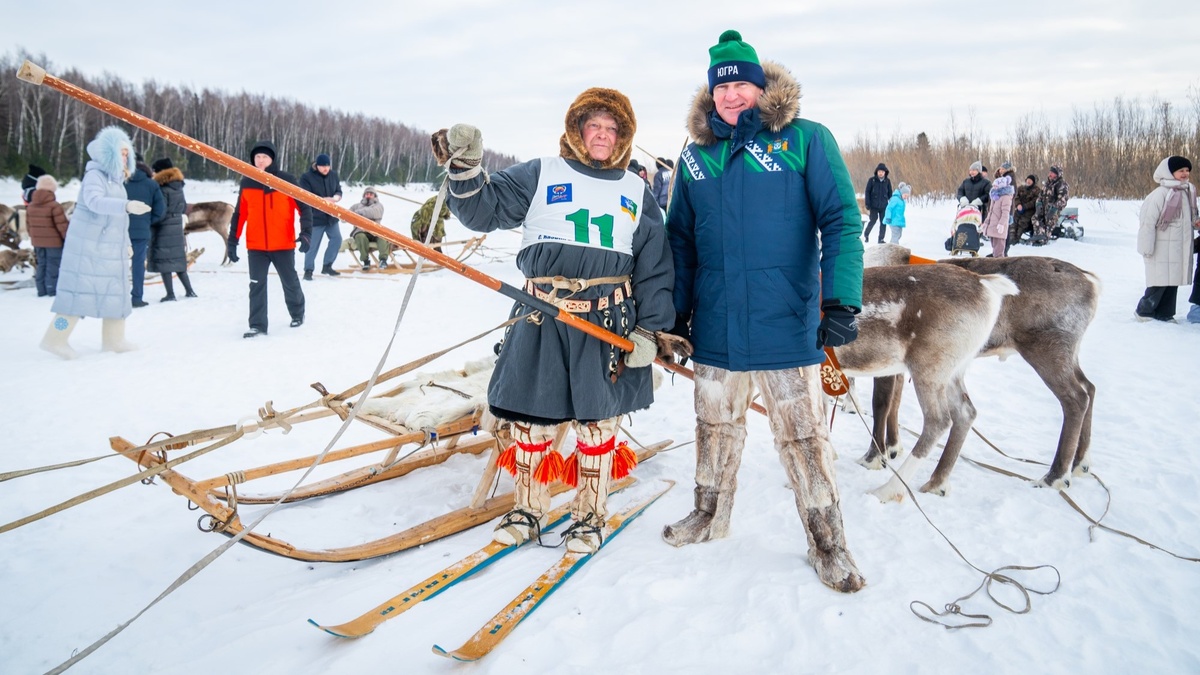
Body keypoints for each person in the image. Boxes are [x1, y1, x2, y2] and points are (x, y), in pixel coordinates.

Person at [431, 86, 676, 554]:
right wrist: (466, 167)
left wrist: (650, 329)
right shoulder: (543, 172)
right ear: (577, 130)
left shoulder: (636, 190)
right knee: (530, 423)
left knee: (598, 425)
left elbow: (655, 264)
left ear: (623, 137)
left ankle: (589, 516)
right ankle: (527, 509)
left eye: (612, 129)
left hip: (607, 321)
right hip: (540, 315)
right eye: (594, 126)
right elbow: (485, 208)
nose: (602, 135)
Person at [663, 30, 865, 593]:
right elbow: (680, 239)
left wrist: (841, 299)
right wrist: (677, 315)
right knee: (714, 427)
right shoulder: (696, 156)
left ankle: (830, 544)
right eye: (721, 87)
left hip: (786, 322)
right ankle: (709, 515)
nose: (732, 95)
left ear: (760, 85)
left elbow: (842, 222)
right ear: (712, 95)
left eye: (741, 84)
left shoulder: (805, 140)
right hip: (718, 325)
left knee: (803, 438)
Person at [40, 126, 151, 359]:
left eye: (126, 152)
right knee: (75, 299)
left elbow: (116, 221)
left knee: (116, 294)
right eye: (120, 152)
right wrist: (126, 205)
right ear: (107, 153)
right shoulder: (95, 176)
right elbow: (94, 202)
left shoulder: (117, 182)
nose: (125, 157)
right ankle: (54, 338)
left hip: (110, 250)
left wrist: (125, 243)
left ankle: (114, 340)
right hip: (87, 250)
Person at [226, 141, 306, 338]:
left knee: (290, 281)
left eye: (265, 157)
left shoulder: (286, 181)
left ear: (272, 159)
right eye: (257, 157)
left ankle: (297, 313)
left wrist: (306, 234)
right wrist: (232, 242)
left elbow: (305, 208)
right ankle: (258, 325)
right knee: (256, 285)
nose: (260, 161)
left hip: (283, 244)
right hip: (256, 246)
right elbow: (240, 214)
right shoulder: (247, 182)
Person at [1135, 156, 1198, 322]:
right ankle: (1144, 311)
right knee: (1159, 280)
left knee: (1173, 281)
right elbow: (1147, 223)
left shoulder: (1188, 191)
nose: (1185, 174)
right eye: (1180, 171)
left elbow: (1191, 217)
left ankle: (1165, 313)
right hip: (1160, 246)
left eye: (1187, 170)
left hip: (1178, 246)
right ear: (1169, 172)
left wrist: (1196, 222)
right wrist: (1146, 247)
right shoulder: (1160, 194)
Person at [149, 157, 196, 301]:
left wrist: (152, 221)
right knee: (178, 260)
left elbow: (160, 210)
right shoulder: (178, 186)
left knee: (164, 262)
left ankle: (170, 294)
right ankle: (190, 291)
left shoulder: (162, 188)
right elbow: (183, 207)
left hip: (164, 228)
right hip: (176, 227)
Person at [124, 153, 166, 307]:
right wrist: (148, 221)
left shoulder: (120, 182)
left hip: (119, 230)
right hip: (141, 231)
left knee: (118, 264)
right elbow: (160, 209)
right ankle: (137, 297)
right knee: (138, 265)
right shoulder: (151, 184)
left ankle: (118, 297)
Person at [299, 153, 343, 279]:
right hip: (315, 217)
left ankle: (327, 265)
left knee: (337, 240)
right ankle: (308, 270)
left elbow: (338, 190)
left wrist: (336, 197)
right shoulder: (306, 177)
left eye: (327, 166)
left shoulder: (333, 175)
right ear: (316, 166)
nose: (325, 168)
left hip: (331, 217)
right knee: (312, 246)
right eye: (323, 166)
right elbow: (305, 196)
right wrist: (324, 200)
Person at [26, 174, 70, 297]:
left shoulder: (31, 206)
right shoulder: (54, 206)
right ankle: (52, 290)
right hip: (54, 243)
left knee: (41, 264)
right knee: (53, 265)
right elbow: (62, 226)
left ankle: (41, 290)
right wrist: (67, 238)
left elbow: (28, 225)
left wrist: (34, 238)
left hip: (38, 243)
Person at [349, 187, 390, 270]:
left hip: (375, 231)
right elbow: (346, 216)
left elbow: (373, 213)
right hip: (361, 230)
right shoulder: (356, 206)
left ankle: (383, 260)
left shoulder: (378, 206)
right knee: (360, 236)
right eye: (367, 194)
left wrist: (358, 213)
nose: (368, 196)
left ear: (374, 196)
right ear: (364, 195)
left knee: (382, 237)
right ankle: (365, 261)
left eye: (371, 194)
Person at [980, 162, 1014, 257]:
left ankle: (1000, 265)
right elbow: (990, 213)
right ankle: (996, 261)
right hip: (993, 226)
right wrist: (986, 223)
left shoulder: (1005, 197)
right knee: (995, 247)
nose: (994, 187)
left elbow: (1005, 212)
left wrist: (1002, 224)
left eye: (996, 186)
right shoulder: (995, 197)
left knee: (999, 250)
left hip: (999, 227)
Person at [1032, 164, 1069, 246]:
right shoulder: (1047, 184)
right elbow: (1040, 196)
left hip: (1053, 210)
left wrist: (1054, 208)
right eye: (1050, 172)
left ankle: (1044, 239)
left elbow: (1063, 200)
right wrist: (1038, 204)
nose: (1050, 174)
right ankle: (1038, 236)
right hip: (1043, 208)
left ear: (1057, 174)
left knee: (1049, 222)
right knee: (1035, 218)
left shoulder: (1062, 184)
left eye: (1052, 172)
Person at [862, 163, 892, 243]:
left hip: (883, 206)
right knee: (873, 220)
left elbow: (890, 193)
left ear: (885, 172)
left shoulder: (887, 181)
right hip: (873, 205)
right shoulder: (872, 180)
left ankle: (881, 238)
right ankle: (866, 234)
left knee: (883, 222)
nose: (880, 173)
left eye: (882, 171)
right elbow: (867, 192)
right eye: (879, 171)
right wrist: (867, 203)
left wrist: (891, 203)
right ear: (877, 172)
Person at [1011, 173, 1039, 245]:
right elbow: (1016, 197)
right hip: (1019, 209)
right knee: (1013, 221)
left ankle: (1017, 238)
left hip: (1029, 211)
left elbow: (1034, 201)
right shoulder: (1021, 188)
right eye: (1028, 180)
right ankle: (1011, 238)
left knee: (1022, 223)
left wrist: (1025, 207)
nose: (1028, 181)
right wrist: (1018, 205)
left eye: (1030, 180)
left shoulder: (1037, 190)